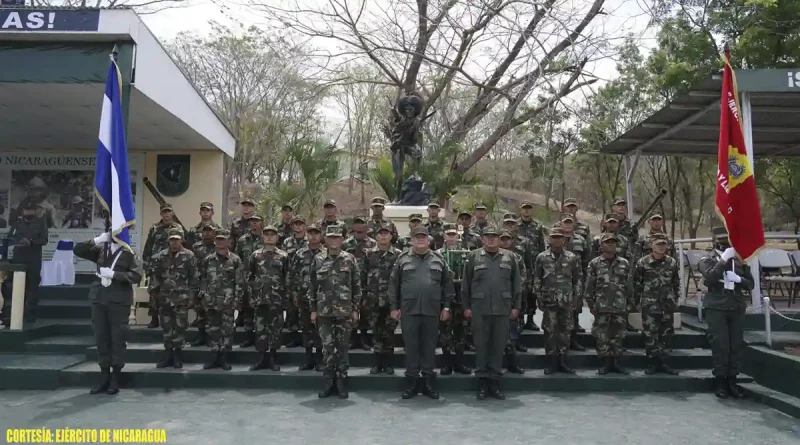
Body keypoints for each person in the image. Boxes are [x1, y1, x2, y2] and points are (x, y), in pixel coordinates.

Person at [390, 226, 454, 400]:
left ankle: (428, 383)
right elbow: (394, 285)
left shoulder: (439, 259)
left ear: (429, 240)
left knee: (428, 347)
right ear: (411, 240)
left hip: (432, 311)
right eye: (417, 237)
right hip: (409, 311)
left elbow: (448, 285)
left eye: (423, 237)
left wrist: (446, 307)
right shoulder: (402, 259)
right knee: (411, 347)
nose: (420, 240)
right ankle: (411, 383)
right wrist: (394, 307)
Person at [73, 232, 141, 394]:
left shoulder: (130, 252)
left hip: (119, 300)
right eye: (111, 232)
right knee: (101, 337)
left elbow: (136, 275)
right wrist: (96, 240)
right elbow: (78, 250)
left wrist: (115, 275)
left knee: (117, 338)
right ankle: (104, 376)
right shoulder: (101, 249)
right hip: (99, 299)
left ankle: (115, 378)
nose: (113, 234)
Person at [462, 225, 522, 400]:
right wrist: (466, 306)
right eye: (487, 236)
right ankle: (482, 383)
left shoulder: (510, 257)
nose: (490, 239)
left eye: (494, 236)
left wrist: (516, 306)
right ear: (482, 238)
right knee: (481, 347)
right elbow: (466, 284)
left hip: (502, 309)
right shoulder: (473, 257)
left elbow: (516, 284)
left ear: (499, 238)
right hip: (479, 309)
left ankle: (494, 383)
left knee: (497, 347)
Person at [698, 227, 753, 399]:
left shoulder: (739, 260)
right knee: (721, 345)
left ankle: (732, 380)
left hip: (736, 305)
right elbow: (710, 279)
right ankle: (720, 380)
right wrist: (722, 261)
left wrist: (740, 279)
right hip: (717, 306)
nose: (724, 242)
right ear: (714, 241)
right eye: (720, 239)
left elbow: (751, 284)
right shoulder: (707, 260)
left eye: (727, 238)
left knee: (736, 345)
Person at [310, 225, 361, 399]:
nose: (333, 240)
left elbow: (356, 286)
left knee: (343, 348)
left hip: (344, 312)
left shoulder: (350, 259)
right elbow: (312, 286)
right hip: (324, 311)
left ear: (342, 240)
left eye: (337, 237)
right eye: (330, 237)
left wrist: (355, 310)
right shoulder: (318, 259)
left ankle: (341, 382)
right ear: (326, 239)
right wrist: (313, 309)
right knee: (327, 348)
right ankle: (328, 381)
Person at [533, 227, 581, 374]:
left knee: (565, 331)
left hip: (566, 301)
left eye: (559, 237)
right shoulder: (542, 257)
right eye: (553, 237)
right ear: (549, 239)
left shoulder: (572, 257)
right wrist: (539, 298)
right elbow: (537, 279)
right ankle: (552, 362)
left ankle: (562, 361)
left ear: (564, 240)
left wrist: (577, 297)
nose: (556, 240)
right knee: (550, 331)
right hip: (549, 301)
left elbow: (577, 279)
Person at [149, 228, 199, 369]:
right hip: (164, 297)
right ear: (168, 240)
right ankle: (167, 354)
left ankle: (177, 355)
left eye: (177, 239)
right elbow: (155, 278)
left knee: (179, 327)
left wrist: (192, 297)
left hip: (181, 298)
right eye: (172, 239)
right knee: (166, 327)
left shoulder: (189, 256)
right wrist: (153, 296)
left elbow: (194, 278)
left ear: (181, 239)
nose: (174, 242)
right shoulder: (160, 256)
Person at [585, 233, 634, 375]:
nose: (611, 244)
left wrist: (630, 303)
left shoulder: (624, 263)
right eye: (607, 242)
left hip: (619, 305)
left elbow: (629, 284)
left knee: (618, 335)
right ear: (601, 245)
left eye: (613, 242)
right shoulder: (594, 263)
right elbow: (589, 286)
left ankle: (616, 363)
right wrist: (591, 303)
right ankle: (605, 363)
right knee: (602, 336)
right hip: (602, 305)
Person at [633, 234, 680, 375]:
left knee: (666, 335)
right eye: (658, 244)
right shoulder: (642, 262)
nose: (661, 247)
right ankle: (652, 363)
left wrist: (675, 299)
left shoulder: (671, 262)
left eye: (663, 244)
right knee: (650, 335)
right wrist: (637, 303)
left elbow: (675, 282)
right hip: (650, 304)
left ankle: (664, 363)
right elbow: (636, 284)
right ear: (651, 246)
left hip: (667, 305)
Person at [198, 229, 243, 371]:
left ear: (228, 241)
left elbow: (239, 282)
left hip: (228, 302)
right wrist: (203, 295)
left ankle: (223, 358)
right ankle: (213, 357)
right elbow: (203, 279)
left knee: (227, 330)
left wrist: (237, 299)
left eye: (223, 239)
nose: (220, 242)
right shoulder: (208, 260)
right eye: (218, 239)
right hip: (211, 301)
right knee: (212, 330)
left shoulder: (235, 260)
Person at [247, 225, 289, 371]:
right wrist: (252, 296)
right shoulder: (255, 255)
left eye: (272, 234)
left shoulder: (283, 256)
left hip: (276, 299)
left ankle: (272, 358)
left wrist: (286, 299)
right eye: (267, 234)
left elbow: (287, 278)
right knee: (260, 329)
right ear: (262, 237)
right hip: (259, 299)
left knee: (275, 329)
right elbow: (250, 277)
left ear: (277, 237)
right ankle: (261, 358)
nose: (269, 237)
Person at [363, 226, 403, 375]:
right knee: (376, 332)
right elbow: (363, 276)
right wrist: (363, 297)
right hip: (373, 300)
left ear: (391, 237)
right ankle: (377, 363)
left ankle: (388, 364)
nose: (384, 236)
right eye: (381, 233)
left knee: (389, 333)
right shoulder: (369, 254)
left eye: (386, 234)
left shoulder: (398, 255)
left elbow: (401, 279)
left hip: (390, 301)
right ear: (376, 237)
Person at [3, 201, 48, 324]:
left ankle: (31, 317)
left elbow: (44, 240)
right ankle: (17, 315)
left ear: (34, 211)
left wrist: (31, 242)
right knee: (17, 288)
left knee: (33, 288)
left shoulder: (40, 223)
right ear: (22, 211)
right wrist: (17, 241)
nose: (28, 212)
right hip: (18, 260)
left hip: (33, 259)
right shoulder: (17, 223)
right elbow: (9, 238)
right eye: (26, 210)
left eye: (30, 210)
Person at [437, 223, 472, 375]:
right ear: (444, 237)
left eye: (454, 235)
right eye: (448, 234)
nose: (451, 237)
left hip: (461, 299)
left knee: (461, 331)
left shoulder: (466, 254)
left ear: (458, 237)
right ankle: (446, 363)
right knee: (445, 332)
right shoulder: (437, 255)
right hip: (444, 299)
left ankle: (459, 362)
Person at [289, 223, 326, 371]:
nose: (314, 236)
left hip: (321, 299)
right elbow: (293, 275)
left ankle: (320, 360)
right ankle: (308, 359)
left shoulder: (326, 254)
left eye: (316, 233)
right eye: (311, 233)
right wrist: (294, 294)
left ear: (321, 235)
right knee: (305, 329)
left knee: (320, 330)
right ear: (307, 235)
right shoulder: (300, 254)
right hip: (304, 298)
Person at [142, 203, 185, 329]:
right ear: (161, 213)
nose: (166, 214)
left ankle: (172, 319)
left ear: (172, 213)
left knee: (172, 291)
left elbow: (182, 246)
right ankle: (154, 318)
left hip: (173, 265)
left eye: (168, 212)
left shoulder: (178, 228)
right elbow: (148, 248)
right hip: (157, 265)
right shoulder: (155, 228)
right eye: (164, 212)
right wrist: (147, 267)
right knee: (155, 292)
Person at [344, 216, 377, 350]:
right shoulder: (346, 244)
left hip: (366, 283)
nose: (359, 234)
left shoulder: (372, 244)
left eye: (361, 232)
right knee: (351, 311)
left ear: (366, 230)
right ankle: (352, 339)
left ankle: (363, 339)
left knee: (365, 313)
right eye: (356, 232)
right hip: (349, 283)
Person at [559, 214, 589, 351]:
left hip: (576, 281)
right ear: (560, 224)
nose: (567, 225)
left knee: (575, 311)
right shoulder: (555, 239)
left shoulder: (581, 240)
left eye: (570, 222)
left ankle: (574, 341)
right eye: (565, 222)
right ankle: (560, 344)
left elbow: (586, 261)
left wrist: (585, 281)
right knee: (559, 314)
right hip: (558, 282)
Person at [498, 231, 526, 374]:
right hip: (495, 301)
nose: (505, 242)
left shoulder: (517, 258)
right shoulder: (494, 256)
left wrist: (517, 304)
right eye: (502, 239)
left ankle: (512, 364)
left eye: (507, 239)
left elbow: (521, 279)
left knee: (511, 335)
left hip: (510, 299)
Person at [235, 214, 265, 348]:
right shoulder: (242, 240)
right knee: (247, 310)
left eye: (257, 221)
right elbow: (238, 259)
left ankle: (260, 338)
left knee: (260, 311)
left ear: (262, 223)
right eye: (252, 221)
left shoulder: (266, 238)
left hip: (262, 280)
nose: (254, 223)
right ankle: (248, 337)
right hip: (247, 280)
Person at [282, 215, 308, 348]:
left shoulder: (309, 242)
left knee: (304, 311)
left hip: (305, 281)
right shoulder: (287, 242)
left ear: (305, 226)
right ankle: (293, 337)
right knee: (292, 311)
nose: (298, 226)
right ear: (292, 226)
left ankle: (306, 338)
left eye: (301, 224)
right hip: (291, 280)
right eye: (296, 224)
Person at [518, 201, 544, 332]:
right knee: (520, 293)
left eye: (529, 209)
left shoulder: (537, 226)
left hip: (533, 265)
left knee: (532, 293)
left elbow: (541, 246)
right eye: (524, 209)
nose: (527, 211)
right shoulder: (515, 226)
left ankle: (530, 319)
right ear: (520, 210)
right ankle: (520, 319)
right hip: (519, 264)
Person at [189, 224, 217, 346]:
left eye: (210, 231)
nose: (207, 234)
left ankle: (211, 338)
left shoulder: (219, 246)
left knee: (212, 312)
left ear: (214, 233)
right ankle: (201, 337)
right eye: (205, 231)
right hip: (199, 282)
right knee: (200, 311)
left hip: (214, 282)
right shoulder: (196, 247)